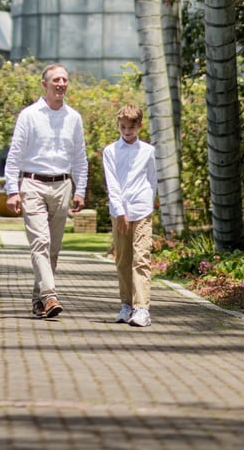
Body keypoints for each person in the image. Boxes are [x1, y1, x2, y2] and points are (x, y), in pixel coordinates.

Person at [4, 63, 88, 319]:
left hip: (62, 185)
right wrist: (11, 190)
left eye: (64, 80)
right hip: (33, 185)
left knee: (52, 249)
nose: (61, 84)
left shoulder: (73, 117)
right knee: (40, 242)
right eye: (56, 80)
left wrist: (80, 189)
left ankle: (38, 301)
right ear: (45, 84)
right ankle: (50, 295)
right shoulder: (29, 115)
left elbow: (80, 158)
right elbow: (15, 155)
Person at [102, 103, 158, 328]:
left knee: (142, 258)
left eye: (131, 128)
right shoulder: (110, 151)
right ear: (118, 125)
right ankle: (126, 304)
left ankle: (142, 307)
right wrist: (120, 211)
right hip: (120, 212)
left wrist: (149, 202)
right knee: (123, 259)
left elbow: (152, 178)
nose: (127, 132)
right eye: (123, 127)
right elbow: (112, 183)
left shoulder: (148, 151)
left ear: (139, 126)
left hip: (142, 210)